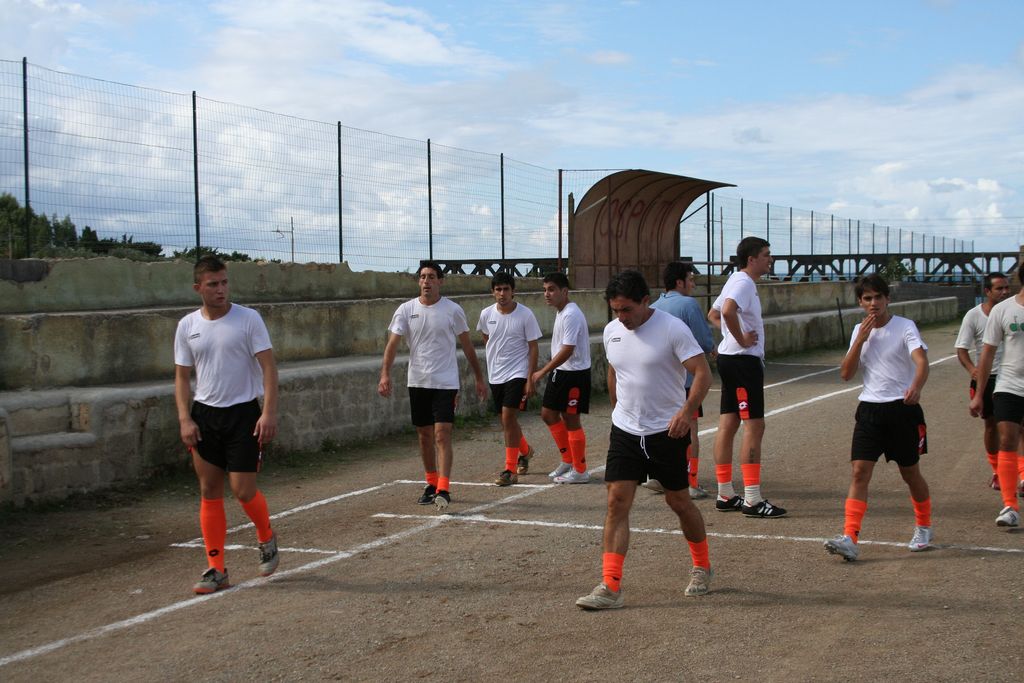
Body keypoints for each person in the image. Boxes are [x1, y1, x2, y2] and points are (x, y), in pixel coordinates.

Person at [576, 270, 713, 610]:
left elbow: (702, 372)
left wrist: (686, 412)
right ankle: (610, 586)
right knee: (616, 502)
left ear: (645, 301)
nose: (621, 317)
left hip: (667, 431)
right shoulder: (612, 331)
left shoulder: (672, 329)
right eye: (616, 310)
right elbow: (615, 370)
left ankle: (702, 566)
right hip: (625, 431)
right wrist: (617, 409)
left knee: (679, 502)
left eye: (627, 309)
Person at [174, 255, 281, 594]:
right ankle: (216, 568)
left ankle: (266, 535)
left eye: (224, 282)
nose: (221, 289)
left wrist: (268, 412)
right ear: (198, 288)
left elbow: (269, 368)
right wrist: (185, 418)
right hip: (205, 415)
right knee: (209, 490)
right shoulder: (187, 326)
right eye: (213, 284)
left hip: (243, 414)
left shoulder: (248, 319)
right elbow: (182, 377)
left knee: (243, 490)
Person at [825, 274, 933, 561]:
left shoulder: (905, 326)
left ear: (887, 299)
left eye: (878, 297)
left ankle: (924, 526)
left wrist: (916, 386)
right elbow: (846, 374)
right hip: (870, 410)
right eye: (867, 298)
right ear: (860, 303)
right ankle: (850, 537)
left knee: (910, 473)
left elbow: (921, 361)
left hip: (902, 410)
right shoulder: (858, 331)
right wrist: (860, 339)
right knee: (859, 472)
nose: (874, 303)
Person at [378, 261, 487, 512]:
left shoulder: (453, 310)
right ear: (419, 281)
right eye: (423, 277)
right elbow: (392, 344)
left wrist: (479, 378)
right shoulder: (406, 310)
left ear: (440, 281)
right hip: (418, 381)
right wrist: (385, 374)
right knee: (424, 435)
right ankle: (431, 483)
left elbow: (467, 347)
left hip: (445, 382)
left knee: (442, 434)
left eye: (431, 277)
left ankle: (444, 488)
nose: (426, 281)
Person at [708, 236, 787, 517]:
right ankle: (752, 499)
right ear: (751, 259)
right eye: (766, 254)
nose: (770, 259)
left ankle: (725, 493)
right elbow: (726, 311)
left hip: (731, 359)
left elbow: (713, 314)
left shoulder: (735, 280)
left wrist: (730, 336)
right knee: (754, 426)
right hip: (743, 361)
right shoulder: (743, 283)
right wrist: (740, 338)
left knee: (728, 424)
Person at [647, 261, 715, 499]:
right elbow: (703, 340)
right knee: (689, 429)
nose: (693, 284)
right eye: (691, 279)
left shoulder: (654, 306)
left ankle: (658, 475)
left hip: (658, 380)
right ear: (679, 282)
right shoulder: (688, 304)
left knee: (660, 427)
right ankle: (690, 481)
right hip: (684, 380)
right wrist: (713, 348)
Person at [969, 267, 1024, 527]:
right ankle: (1010, 506)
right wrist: (979, 394)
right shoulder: (1003, 310)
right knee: (1007, 438)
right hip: (1008, 385)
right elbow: (988, 354)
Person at [476, 272, 542, 486]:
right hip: (496, 374)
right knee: (507, 421)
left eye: (506, 289)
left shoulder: (525, 315)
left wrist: (530, 378)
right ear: (492, 292)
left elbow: (533, 347)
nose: (502, 293)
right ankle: (526, 451)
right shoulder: (486, 314)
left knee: (507, 418)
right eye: (498, 289)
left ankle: (509, 470)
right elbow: (487, 338)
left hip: (518, 372)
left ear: (513, 291)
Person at [955, 272, 1016, 491]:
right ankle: (997, 471)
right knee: (991, 426)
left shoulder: (1014, 311)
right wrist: (973, 370)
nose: (1005, 292)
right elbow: (961, 349)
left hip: (1012, 377)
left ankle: (1020, 474)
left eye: (1007, 288)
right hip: (988, 378)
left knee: (1017, 427)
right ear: (987, 292)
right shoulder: (973, 315)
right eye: (999, 288)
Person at [531, 272, 592, 484]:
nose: (547, 294)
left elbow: (567, 350)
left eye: (551, 289)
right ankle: (568, 460)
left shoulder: (571, 314)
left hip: (575, 374)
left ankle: (580, 470)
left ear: (564, 291)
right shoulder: (562, 312)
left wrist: (542, 371)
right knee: (548, 414)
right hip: (562, 372)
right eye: (545, 290)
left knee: (571, 419)